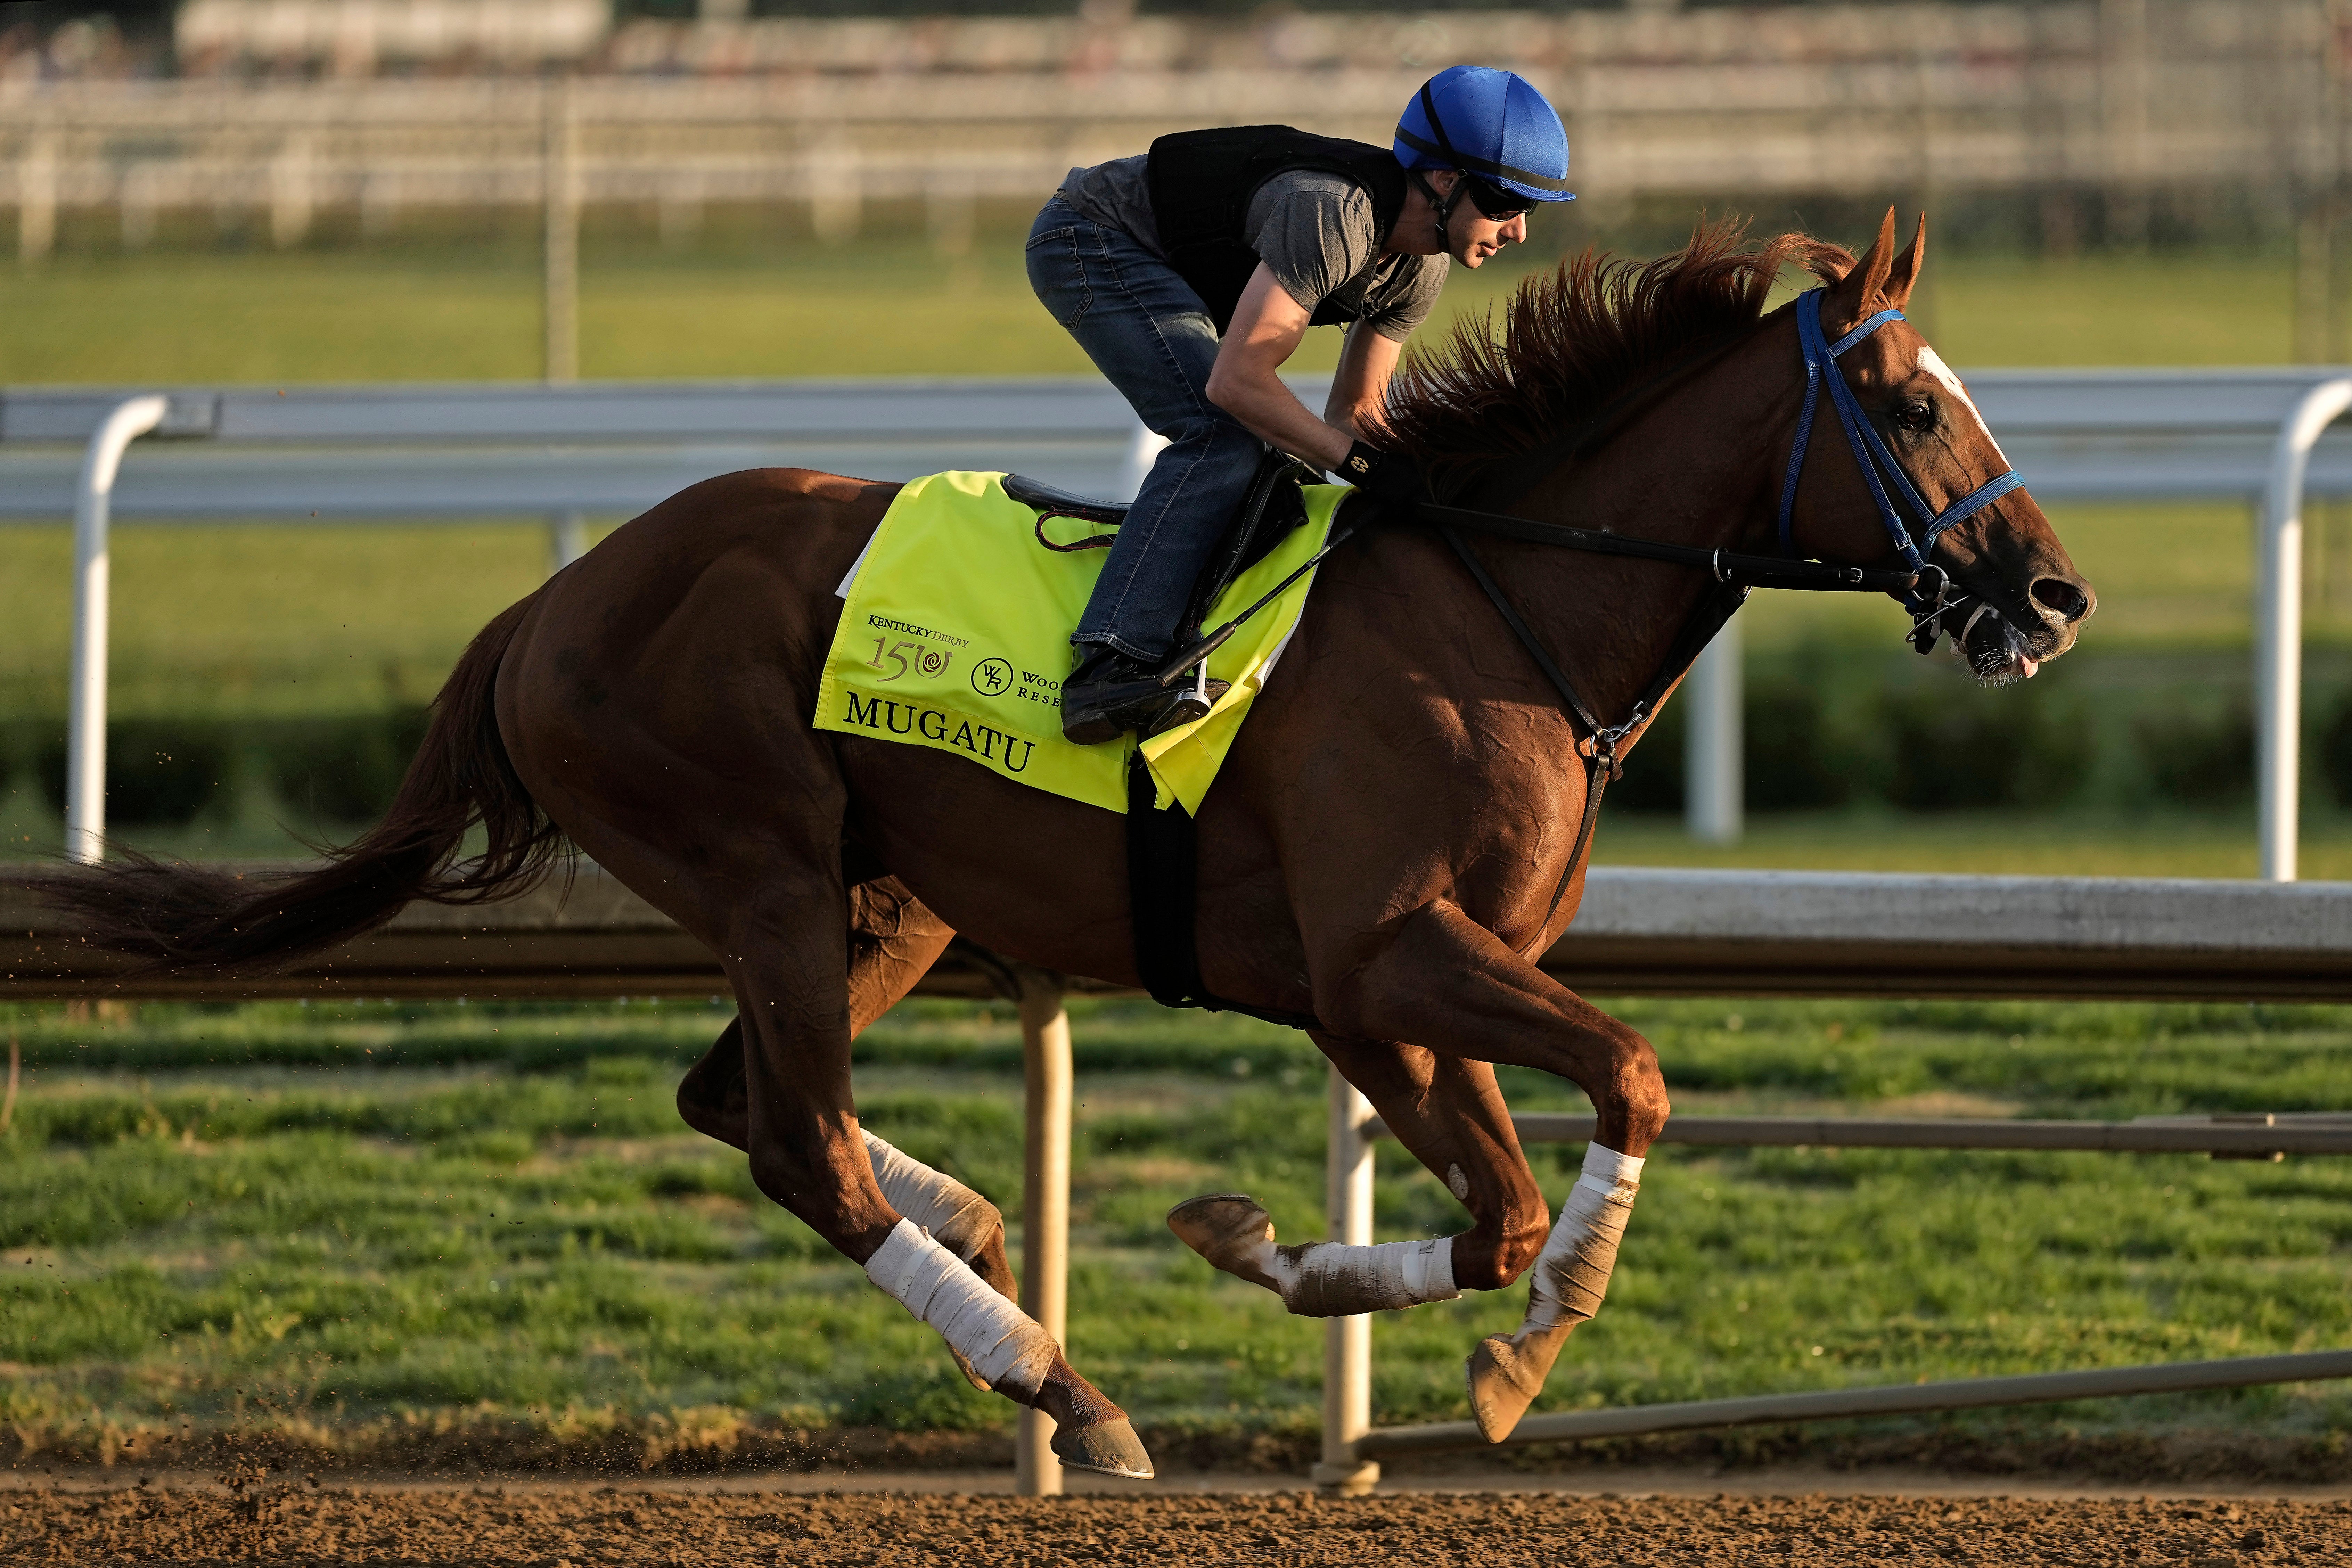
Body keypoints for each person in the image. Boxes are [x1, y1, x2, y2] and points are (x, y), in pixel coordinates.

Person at [1026, 65, 1575, 745]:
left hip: (1164, 265)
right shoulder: (1332, 215)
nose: (1519, 231)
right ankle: (1111, 667)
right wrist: (1365, 468)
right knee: (1223, 434)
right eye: (1506, 204)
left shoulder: (1420, 268)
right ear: (1443, 181)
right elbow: (1238, 384)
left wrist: (1434, 483)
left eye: (1532, 211)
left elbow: (1357, 420)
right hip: (1090, 237)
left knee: (1278, 471)